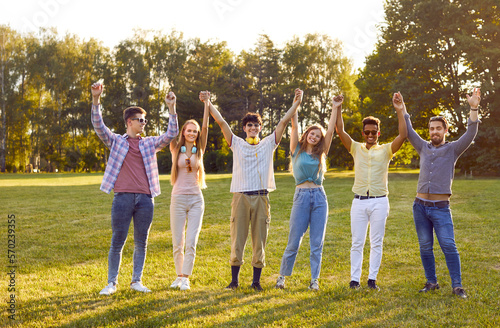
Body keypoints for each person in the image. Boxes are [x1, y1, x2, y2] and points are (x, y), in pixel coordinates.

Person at [206, 88, 303, 291]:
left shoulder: (269, 143)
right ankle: (234, 281)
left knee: (260, 240)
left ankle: (256, 281)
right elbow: (222, 123)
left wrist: (296, 103)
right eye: (249, 125)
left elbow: (283, 122)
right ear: (244, 128)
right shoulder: (237, 144)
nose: (253, 127)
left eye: (256, 125)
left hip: (261, 197)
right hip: (240, 197)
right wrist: (208, 102)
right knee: (237, 239)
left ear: (260, 127)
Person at [91, 81, 178, 295]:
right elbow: (98, 125)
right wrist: (95, 99)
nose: (144, 123)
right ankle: (111, 283)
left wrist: (171, 108)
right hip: (122, 198)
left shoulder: (149, 143)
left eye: (145, 120)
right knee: (117, 240)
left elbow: (171, 134)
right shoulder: (116, 142)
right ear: (129, 122)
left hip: (146, 200)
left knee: (142, 241)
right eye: (140, 120)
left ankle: (136, 281)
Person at [403, 88, 481, 299]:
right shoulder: (423, 147)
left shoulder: (453, 149)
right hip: (419, 206)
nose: (434, 132)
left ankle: (457, 286)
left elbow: (471, 133)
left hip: (440, 208)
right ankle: (431, 282)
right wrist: (402, 109)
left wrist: (473, 107)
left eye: (438, 128)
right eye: (431, 129)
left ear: (445, 130)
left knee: (448, 244)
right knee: (425, 246)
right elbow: (409, 131)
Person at [336, 92, 407, 290]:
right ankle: (354, 279)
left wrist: (399, 110)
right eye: (366, 132)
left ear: (378, 133)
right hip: (359, 202)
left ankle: (372, 279)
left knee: (376, 242)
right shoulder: (356, 148)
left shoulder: (386, 150)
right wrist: (339, 107)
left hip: (379, 201)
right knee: (357, 242)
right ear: (363, 133)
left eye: (373, 132)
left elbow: (403, 134)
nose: (370, 135)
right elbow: (339, 130)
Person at [275, 94, 343, 291]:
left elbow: (330, 131)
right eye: (312, 134)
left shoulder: (321, 153)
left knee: (317, 243)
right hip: (301, 197)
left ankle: (314, 280)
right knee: (294, 240)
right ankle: (282, 277)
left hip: (320, 198)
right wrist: (297, 102)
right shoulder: (296, 150)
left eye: (317, 136)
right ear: (306, 135)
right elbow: (294, 125)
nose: (314, 137)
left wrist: (335, 107)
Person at [168, 92, 209, 291]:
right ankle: (178, 276)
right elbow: (171, 130)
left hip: (195, 200)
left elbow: (207, 126)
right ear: (183, 132)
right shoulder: (175, 147)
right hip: (177, 198)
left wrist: (207, 104)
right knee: (178, 241)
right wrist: (172, 107)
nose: (192, 133)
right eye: (188, 130)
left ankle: (186, 277)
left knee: (191, 241)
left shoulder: (200, 149)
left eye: (195, 131)